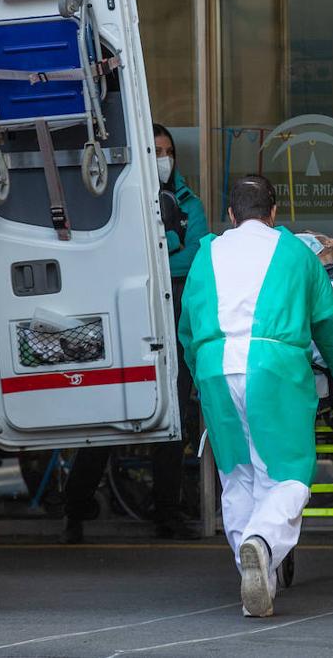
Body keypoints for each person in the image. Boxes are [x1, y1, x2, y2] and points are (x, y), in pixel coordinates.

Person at [178, 175, 333, 617]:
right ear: (274, 213)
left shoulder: (207, 253)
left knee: (238, 475)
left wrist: (201, 383)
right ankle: (261, 543)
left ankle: (257, 583)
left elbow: (187, 331)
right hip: (274, 367)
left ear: (230, 215)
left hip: (214, 366)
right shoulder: (296, 255)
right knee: (287, 476)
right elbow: (328, 327)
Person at [61, 124, 208, 543]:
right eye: (155, 150)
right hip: (128, 317)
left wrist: (157, 249)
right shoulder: (119, 201)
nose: (164, 158)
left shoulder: (188, 203)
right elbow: (119, 255)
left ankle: (168, 513)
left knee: (174, 418)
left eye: (168, 150)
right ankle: (75, 506)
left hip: (175, 317)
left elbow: (191, 261)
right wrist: (167, 246)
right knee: (111, 415)